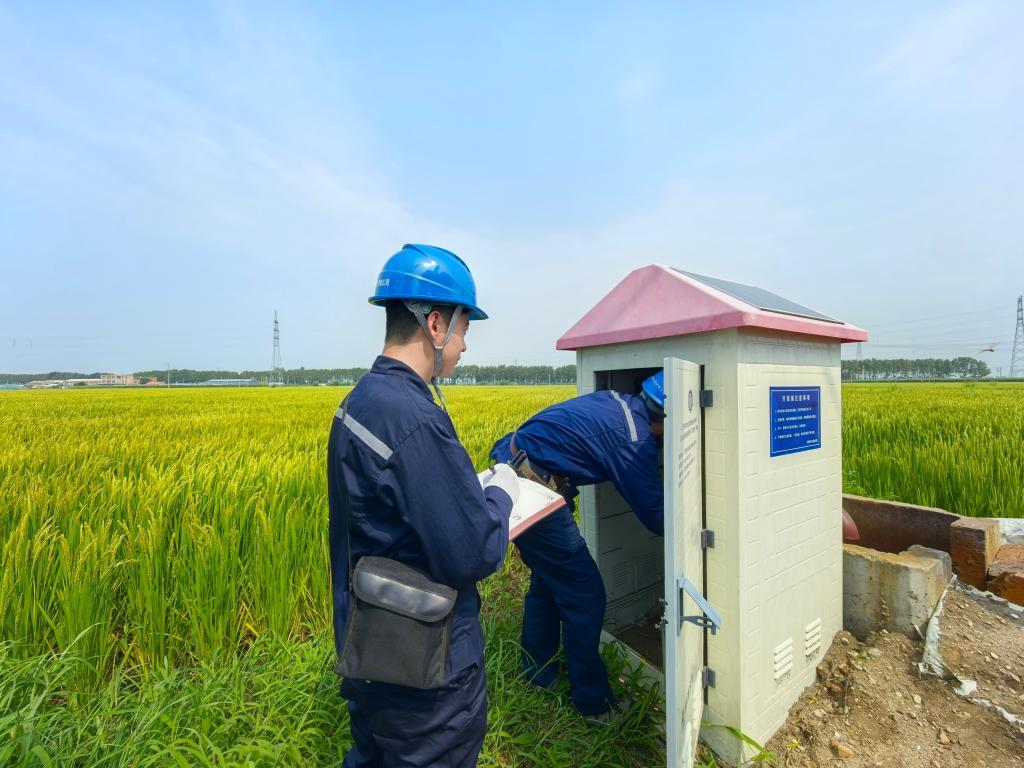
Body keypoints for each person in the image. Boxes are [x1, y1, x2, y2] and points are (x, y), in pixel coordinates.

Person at [328, 244, 520, 767]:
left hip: (370, 644)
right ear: (435, 324)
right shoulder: (414, 419)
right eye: (463, 331)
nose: (463, 347)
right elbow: (475, 552)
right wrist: (502, 492)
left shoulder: (359, 402)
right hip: (425, 671)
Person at [489, 372, 666, 727]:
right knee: (585, 595)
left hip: (513, 465)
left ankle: (538, 673)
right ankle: (594, 703)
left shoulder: (619, 403)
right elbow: (656, 516)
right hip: (531, 486)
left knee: (549, 581)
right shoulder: (636, 439)